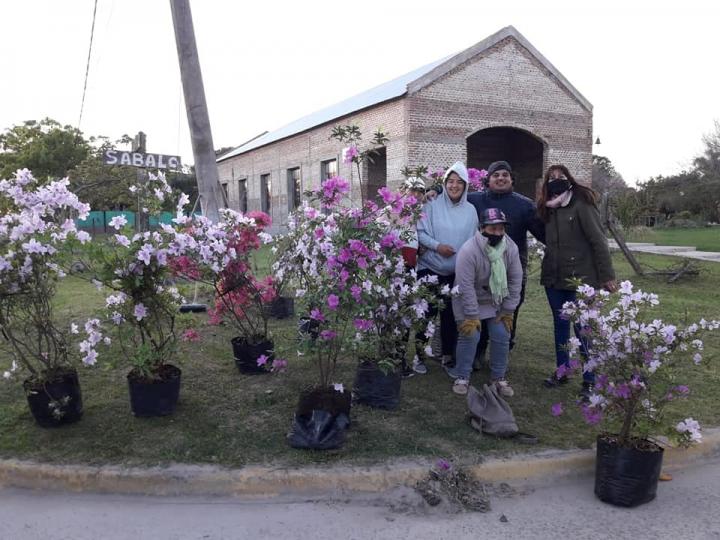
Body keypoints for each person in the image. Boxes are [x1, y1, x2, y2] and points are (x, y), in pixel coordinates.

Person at [537, 164, 617, 400]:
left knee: (583, 329)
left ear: (569, 179)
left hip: (581, 279)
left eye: (560, 176)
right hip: (554, 278)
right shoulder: (547, 209)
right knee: (560, 327)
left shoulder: (581, 203)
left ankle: (589, 379)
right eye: (551, 177)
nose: (556, 180)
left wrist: (607, 276)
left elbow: (599, 241)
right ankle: (562, 371)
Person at [467, 161, 545, 361]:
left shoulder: (525, 205)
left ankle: (503, 351)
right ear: (488, 179)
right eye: (496, 175)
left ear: (511, 179)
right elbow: (452, 196)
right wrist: (434, 190)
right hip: (482, 269)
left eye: (505, 175)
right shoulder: (474, 200)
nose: (500, 178)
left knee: (509, 311)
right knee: (483, 311)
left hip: (512, 268)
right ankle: (479, 351)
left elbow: (544, 234)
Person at [447, 208, 523, 396]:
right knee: (470, 333)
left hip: (495, 300)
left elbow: (515, 280)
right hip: (467, 299)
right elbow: (465, 286)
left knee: (502, 333)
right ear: (482, 228)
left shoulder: (510, 248)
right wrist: (472, 316)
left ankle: (498, 377)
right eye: (492, 228)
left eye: (501, 229)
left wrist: (508, 310)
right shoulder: (469, 250)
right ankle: (462, 375)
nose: (497, 233)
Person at [415, 162, 478, 374]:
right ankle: (419, 355)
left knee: (451, 316)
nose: (454, 186)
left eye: (459, 182)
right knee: (426, 313)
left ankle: (447, 357)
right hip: (430, 267)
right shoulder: (431, 204)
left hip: (456, 273)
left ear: (465, 185)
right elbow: (420, 233)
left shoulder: (470, 211)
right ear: (445, 183)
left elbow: (474, 240)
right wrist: (437, 246)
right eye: (450, 181)